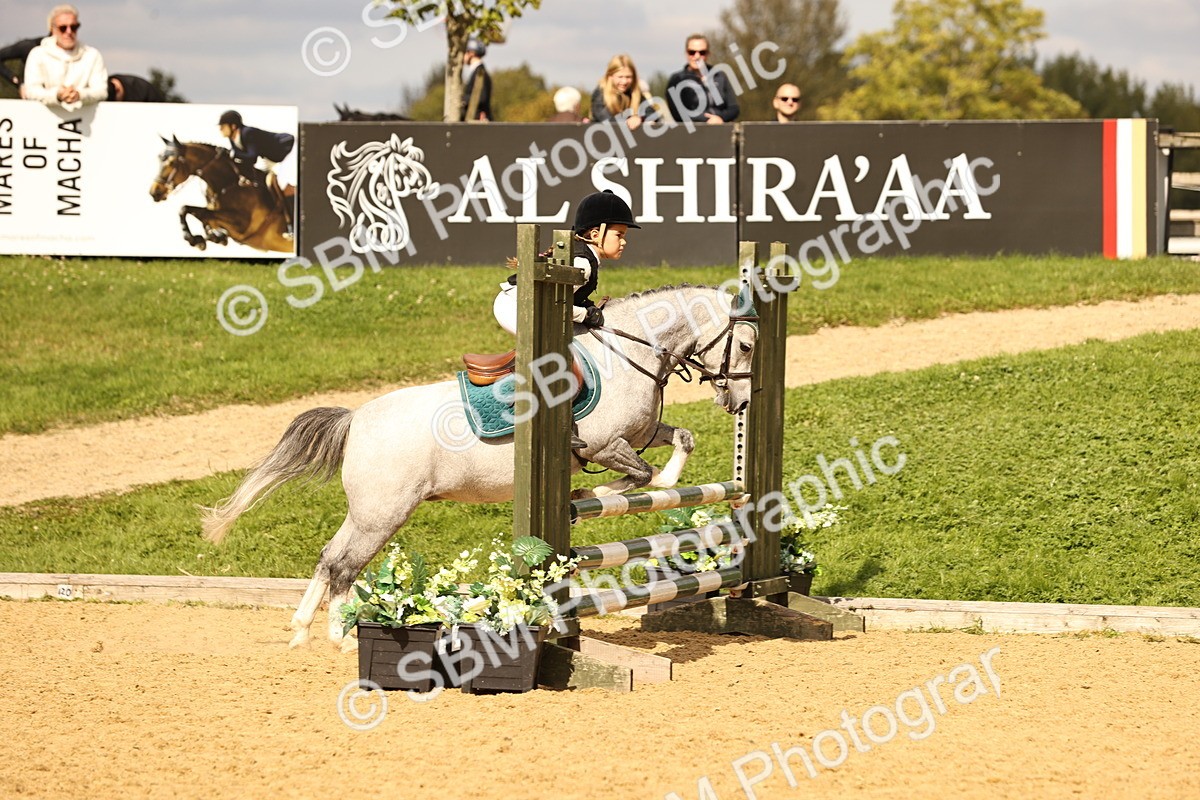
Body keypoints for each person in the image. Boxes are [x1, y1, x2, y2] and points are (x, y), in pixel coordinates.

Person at [493, 190, 640, 451]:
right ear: (595, 234)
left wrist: (587, 307)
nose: (624, 241)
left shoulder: (586, 257)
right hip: (516, 305)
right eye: (619, 234)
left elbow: (564, 298)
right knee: (553, 352)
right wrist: (585, 314)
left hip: (530, 302)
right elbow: (553, 301)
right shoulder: (583, 263)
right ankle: (545, 418)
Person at [218, 110, 297, 237]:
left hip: (288, 150)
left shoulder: (248, 133)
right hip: (270, 157)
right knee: (262, 181)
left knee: (281, 184)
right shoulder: (233, 138)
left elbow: (252, 156)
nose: (220, 129)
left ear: (233, 126)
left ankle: (293, 225)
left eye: (223, 126)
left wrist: (233, 154)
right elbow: (246, 161)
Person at [23, 5, 107, 112]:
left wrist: (80, 94)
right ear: (52, 29)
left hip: (83, 118)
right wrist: (57, 95)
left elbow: (101, 91)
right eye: (63, 28)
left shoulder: (92, 55)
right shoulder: (37, 54)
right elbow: (31, 90)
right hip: (44, 118)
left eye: (74, 27)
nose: (69, 31)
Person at [665, 34, 739, 125]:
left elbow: (734, 108)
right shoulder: (676, 80)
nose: (697, 56)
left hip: (721, 129)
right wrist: (706, 121)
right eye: (692, 52)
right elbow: (677, 113)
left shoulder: (720, 76)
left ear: (708, 54)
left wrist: (720, 118)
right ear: (686, 53)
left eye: (702, 52)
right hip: (692, 131)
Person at [590, 54, 651, 131]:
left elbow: (653, 114)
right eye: (620, 77)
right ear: (610, 76)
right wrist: (629, 121)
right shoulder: (600, 94)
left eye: (628, 77)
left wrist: (640, 118)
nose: (624, 81)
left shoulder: (635, 93)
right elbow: (607, 121)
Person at [461, 38, 491, 122]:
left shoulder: (480, 73)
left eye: (465, 52)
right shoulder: (478, 72)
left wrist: (463, 99)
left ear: (471, 53)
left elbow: (482, 98)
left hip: (477, 119)